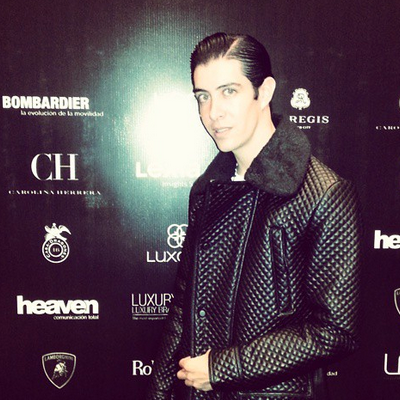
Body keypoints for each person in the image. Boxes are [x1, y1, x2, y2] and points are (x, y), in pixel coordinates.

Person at [147, 33, 360, 400]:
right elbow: (183, 310)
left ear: (264, 92)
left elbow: (335, 331)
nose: (213, 112)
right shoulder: (207, 190)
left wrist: (222, 369)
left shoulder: (324, 193)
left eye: (229, 91)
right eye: (203, 96)